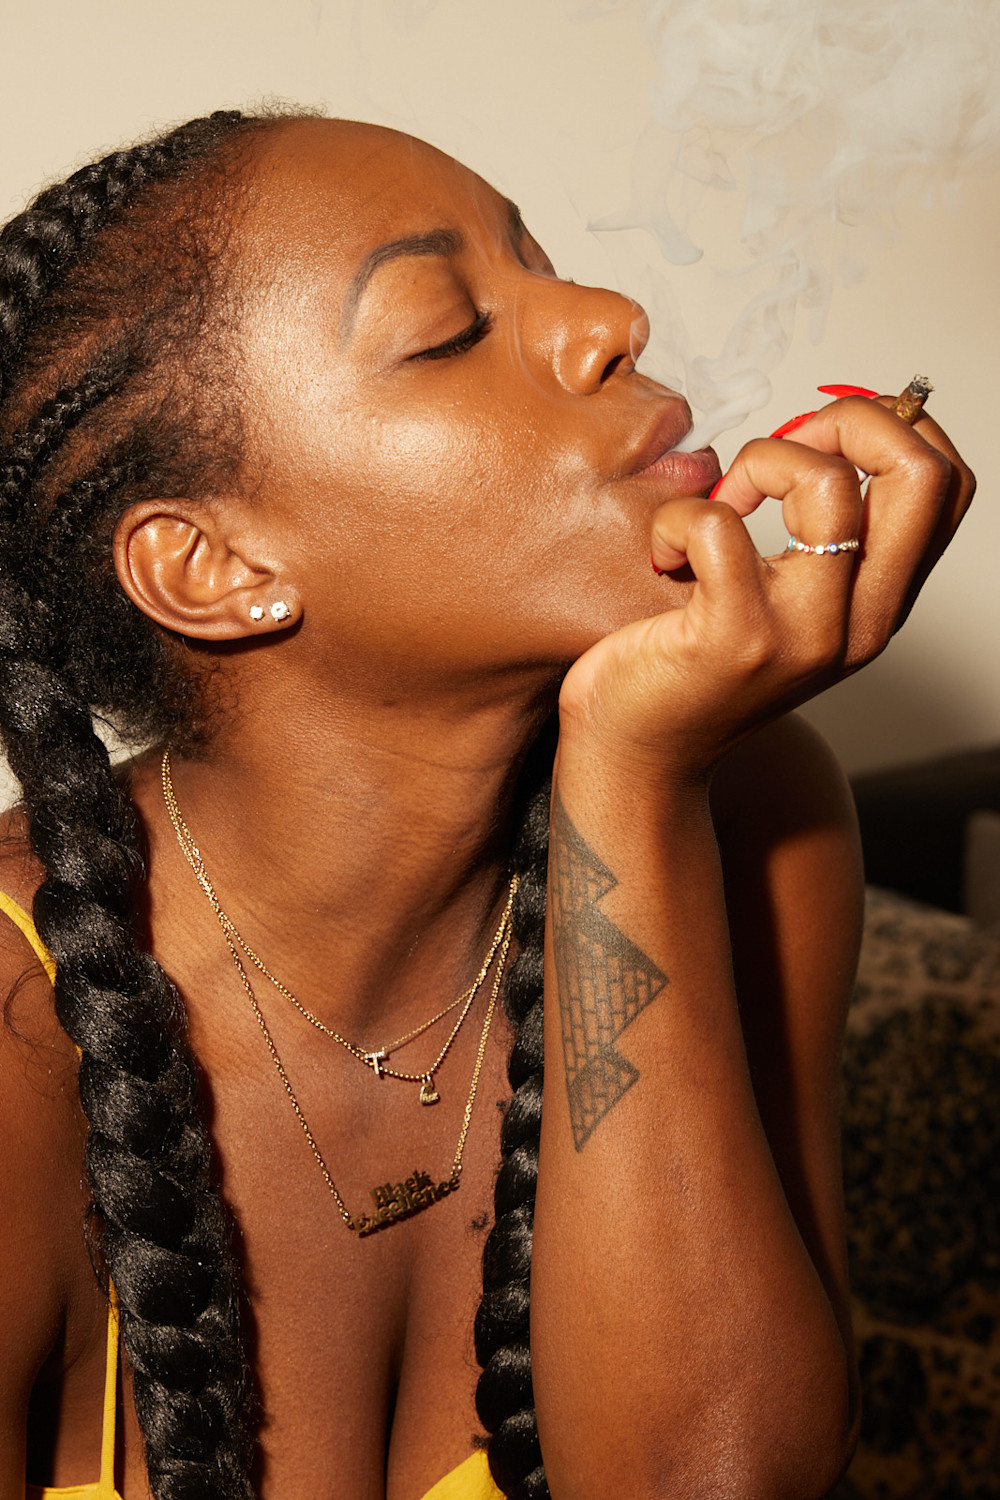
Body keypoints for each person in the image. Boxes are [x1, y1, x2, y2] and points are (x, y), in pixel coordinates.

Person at [0, 108, 973, 1500]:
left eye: (543, 264)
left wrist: (635, 777)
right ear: (216, 568)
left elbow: (717, 1480)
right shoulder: (17, 1032)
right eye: (448, 332)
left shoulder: (755, 814)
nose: (612, 322)